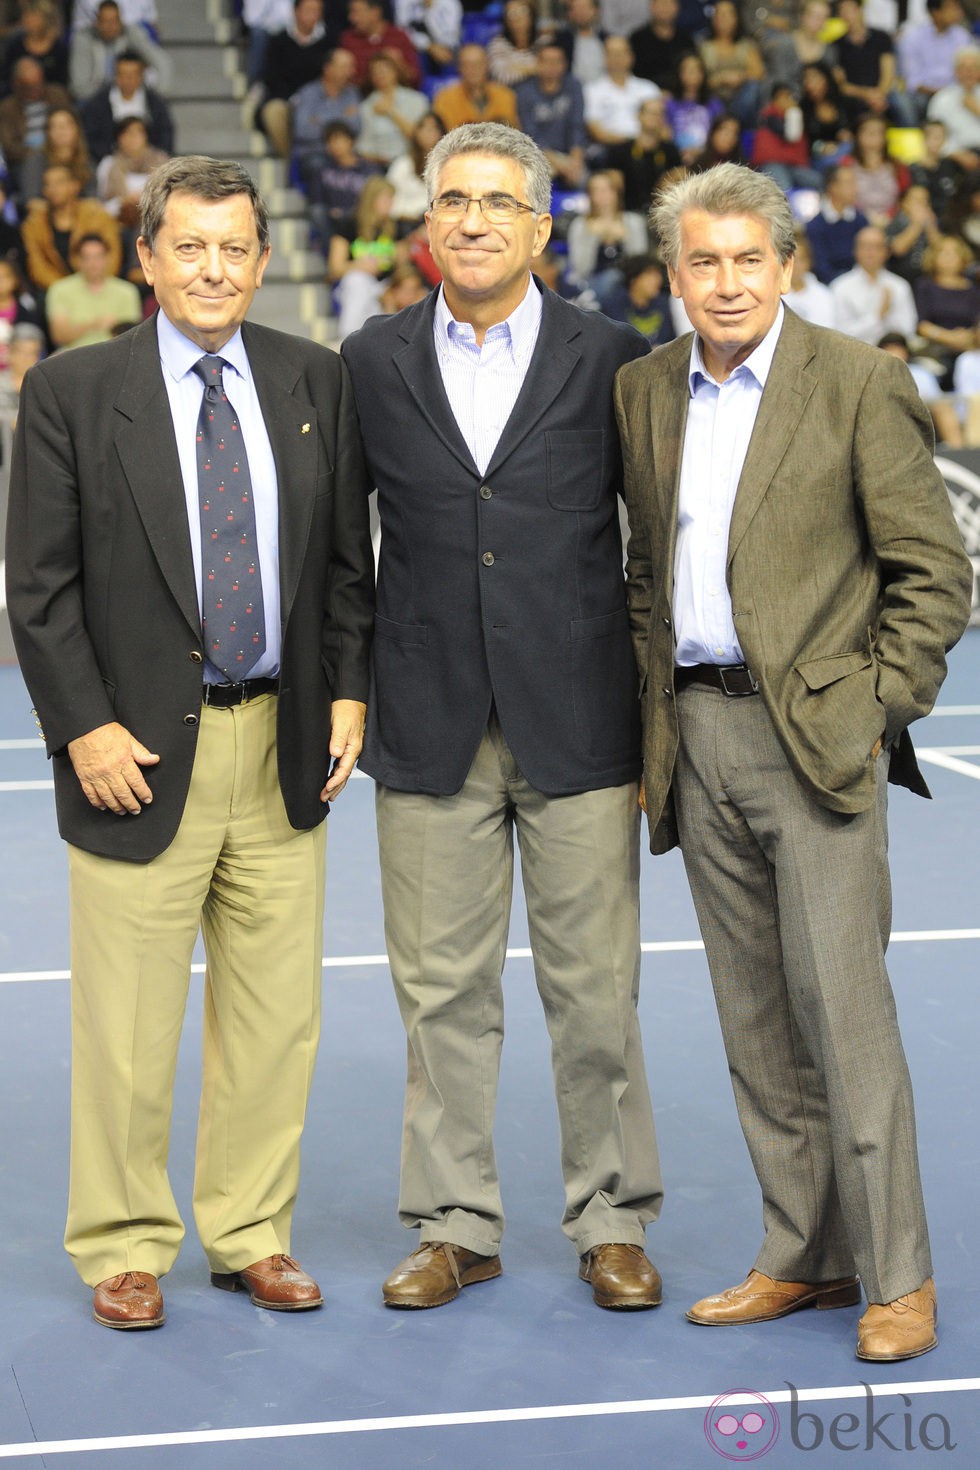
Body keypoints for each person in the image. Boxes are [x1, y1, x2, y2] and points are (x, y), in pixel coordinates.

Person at [5, 155, 374, 1330]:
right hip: (134, 757)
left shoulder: (315, 378)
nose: (214, 269)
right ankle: (122, 1244)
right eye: (191, 247)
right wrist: (85, 730)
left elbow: (344, 570)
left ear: (261, 262)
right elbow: (40, 588)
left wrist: (351, 694)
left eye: (235, 248)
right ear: (149, 259)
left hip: (282, 745)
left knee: (276, 1018)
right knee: (125, 1023)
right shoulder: (73, 389)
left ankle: (251, 1231)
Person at [614, 160, 973, 1363]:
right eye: (700, 262)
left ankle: (895, 1275)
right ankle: (801, 1255)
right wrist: (649, 720)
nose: (723, 284)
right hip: (693, 735)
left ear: (785, 266)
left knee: (844, 1012)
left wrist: (874, 705)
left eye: (745, 261)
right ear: (674, 274)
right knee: (753, 1017)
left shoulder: (857, 381)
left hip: (814, 740)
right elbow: (639, 579)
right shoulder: (642, 388)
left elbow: (932, 572)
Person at [341, 121, 664, 1313]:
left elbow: (654, 559)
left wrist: (657, 720)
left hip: (579, 721)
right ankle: (454, 1222)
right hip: (425, 720)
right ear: (426, 223)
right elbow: (340, 554)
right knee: (438, 997)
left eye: (496, 202)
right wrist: (347, 691)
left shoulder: (613, 355)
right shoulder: (369, 358)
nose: (472, 220)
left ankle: (612, 1217)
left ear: (538, 227)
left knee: (596, 993)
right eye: (451, 201)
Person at [21, 162, 121, 291]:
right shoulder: (33, 224)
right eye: (47, 184)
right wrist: (67, 290)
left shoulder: (98, 216)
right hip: (55, 290)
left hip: (99, 285)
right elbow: (37, 267)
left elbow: (113, 257)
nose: (53, 188)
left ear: (75, 186)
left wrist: (94, 284)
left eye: (59, 182)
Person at [44, 229, 141, 349]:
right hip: (72, 359)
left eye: (98, 257)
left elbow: (132, 337)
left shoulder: (127, 291)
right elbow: (58, 335)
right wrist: (94, 324)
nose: (93, 263)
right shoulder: (60, 289)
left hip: (114, 358)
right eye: (86, 257)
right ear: (77, 260)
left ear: (108, 258)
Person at [80, 49, 175, 164]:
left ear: (141, 76)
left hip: (149, 164)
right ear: (115, 75)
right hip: (110, 161)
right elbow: (91, 138)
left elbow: (165, 136)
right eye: (123, 74)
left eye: (133, 74)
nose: (128, 80)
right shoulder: (97, 104)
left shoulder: (156, 104)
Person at [69, 0, 172, 103]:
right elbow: (79, 86)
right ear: (97, 22)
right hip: (95, 98)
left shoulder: (132, 34)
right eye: (104, 21)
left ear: (121, 21)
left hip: (129, 95)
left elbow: (162, 63)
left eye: (114, 21)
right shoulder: (83, 38)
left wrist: (157, 97)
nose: (109, 26)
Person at [829, 223, 918, 342]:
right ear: (855, 251)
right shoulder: (840, 287)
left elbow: (908, 331)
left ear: (886, 252)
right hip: (852, 355)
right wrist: (878, 316)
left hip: (891, 355)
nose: (870, 252)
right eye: (865, 246)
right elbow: (839, 333)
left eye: (877, 247)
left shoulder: (900, 286)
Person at [516, 40, 587, 188]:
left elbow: (577, 125)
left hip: (569, 155)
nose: (552, 66)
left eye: (556, 61)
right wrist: (558, 163)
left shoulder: (574, 86)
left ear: (564, 65)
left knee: (585, 178)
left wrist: (575, 160)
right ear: (538, 64)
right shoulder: (524, 91)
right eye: (547, 61)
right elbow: (530, 133)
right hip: (537, 155)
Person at [289, 47, 361, 188]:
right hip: (315, 153)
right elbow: (302, 130)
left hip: (346, 154)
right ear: (328, 69)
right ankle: (320, 208)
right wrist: (341, 119)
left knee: (368, 170)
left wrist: (319, 120)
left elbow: (356, 127)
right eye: (345, 67)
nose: (351, 72)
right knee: (321, 167)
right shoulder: (308, 93)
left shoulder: (353, 93)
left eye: (351, 67)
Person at [584, 34, 660, 151]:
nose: (617, 58)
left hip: (648, 149)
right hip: (610, 149)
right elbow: (595, 131)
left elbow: (660, 125)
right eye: (612, 54)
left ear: (631, 56)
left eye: (621, 53)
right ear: (604, 58)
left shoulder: (649, 89)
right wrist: (632, 143)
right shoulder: (591, 90)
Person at [431, 42, 520, 131]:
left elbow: (516, 134)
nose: (473, 69)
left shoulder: (505, 96)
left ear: (487, 65)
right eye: (467, 65)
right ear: (459, 68)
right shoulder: (445, 99)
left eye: (478, 64)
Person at [805, 162, 868, 283]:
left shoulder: (861, 221)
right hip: (829, 287)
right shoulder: (816, 226)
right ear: (833, 187)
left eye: (854, 182)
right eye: (849, 183)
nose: (855, 188)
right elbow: (821, 267)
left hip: (861, 283)